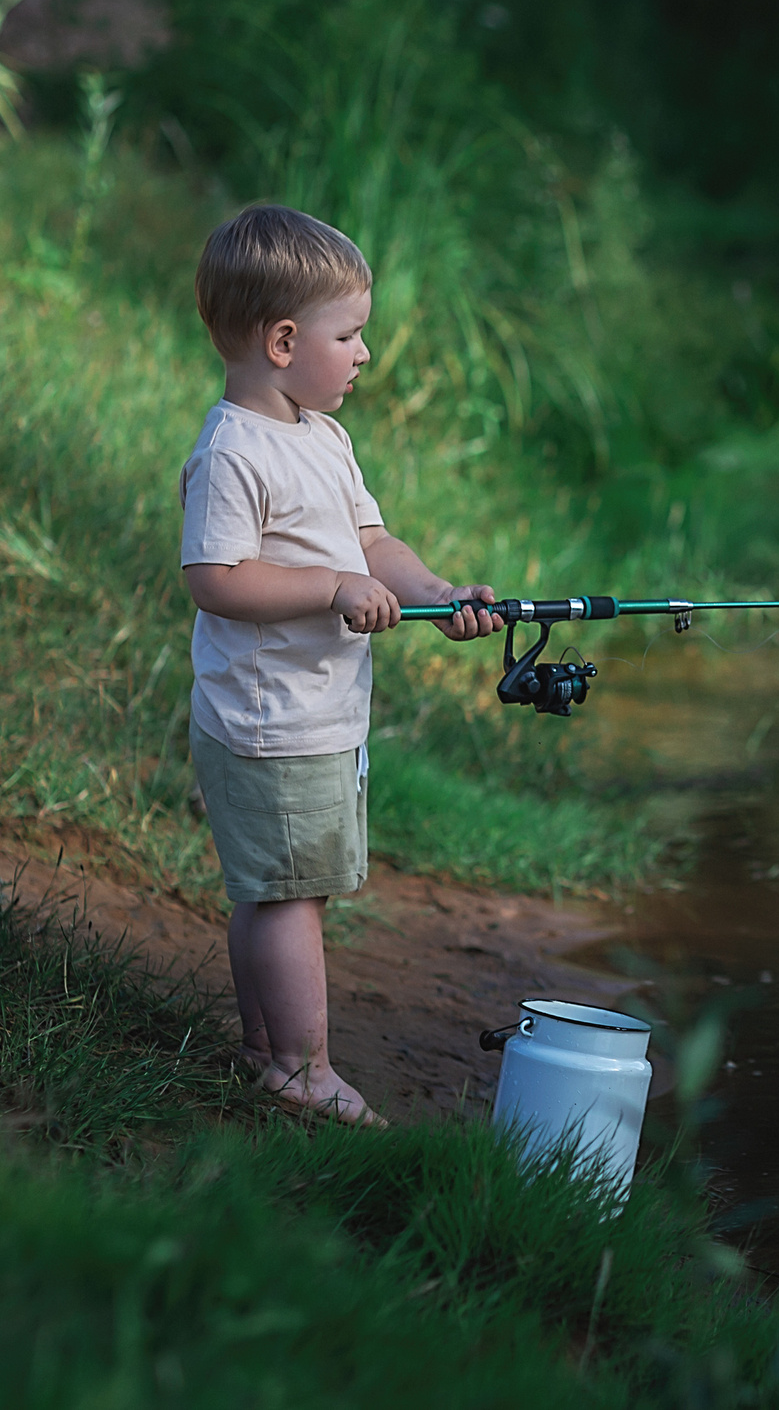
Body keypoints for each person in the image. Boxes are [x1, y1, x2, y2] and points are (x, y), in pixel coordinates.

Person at [179, 203, 497, 1126]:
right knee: (289, 899)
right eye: (349, 334)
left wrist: (434, 592)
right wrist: (329, 588)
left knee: (276, 889)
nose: (364, 353)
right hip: (269, 721)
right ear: (283, 340)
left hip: (310, 715)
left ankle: (264, 1050)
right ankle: (304, 1070)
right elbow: (216, 577)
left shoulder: (321, 436)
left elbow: (370, 538)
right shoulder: (235, 449)